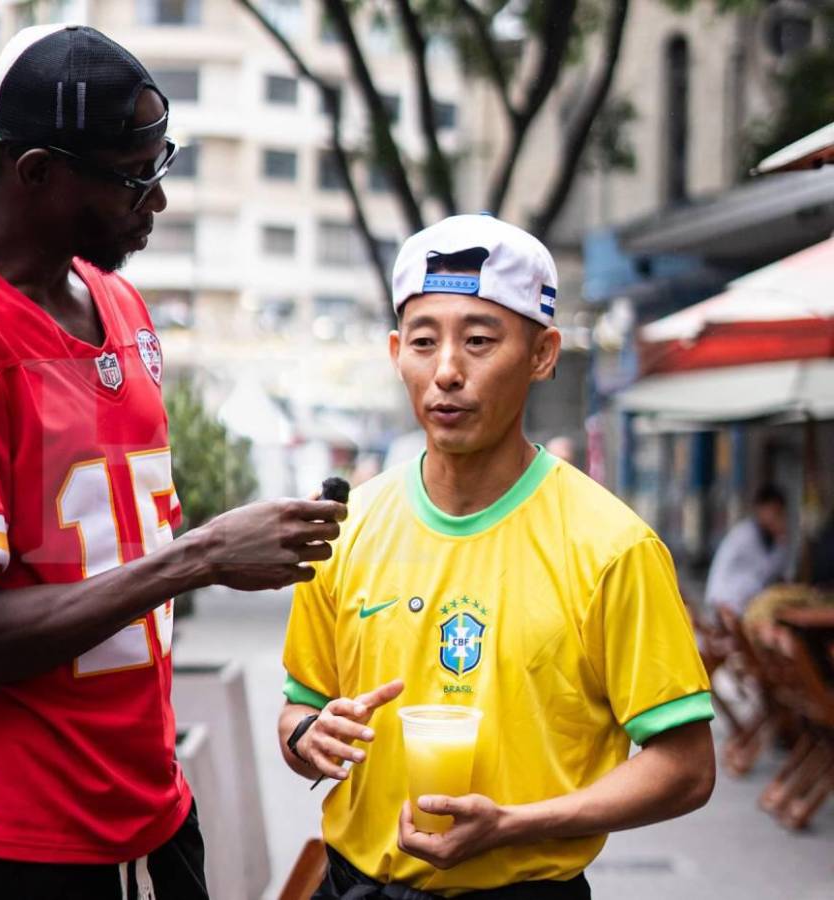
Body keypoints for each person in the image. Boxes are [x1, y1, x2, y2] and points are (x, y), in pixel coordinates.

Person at [0, 24, 346, 900]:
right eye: (132, 176)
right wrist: (200, 557)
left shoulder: (117, 300)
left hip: (144, 811)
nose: (157, 201)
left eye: (162, 166)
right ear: (37, 172)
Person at [277, 214, 715, 898]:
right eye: (424, 341)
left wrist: (515, 825)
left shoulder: (613, 547)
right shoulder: (348, 528)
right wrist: (309, 736)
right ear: (396, 351)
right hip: (354, 885)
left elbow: (687, 767)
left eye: (479, 341)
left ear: (542, 354)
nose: (447, 371)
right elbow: (298, 710)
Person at [704, 484, 789, 616]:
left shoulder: (766, 538)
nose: (776, 517)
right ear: (760, 509)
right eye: (773, 511)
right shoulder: (745, 535)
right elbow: (766, 572)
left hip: (741, 606)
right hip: (727, 606)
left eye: (779, 513)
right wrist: (781, 541)